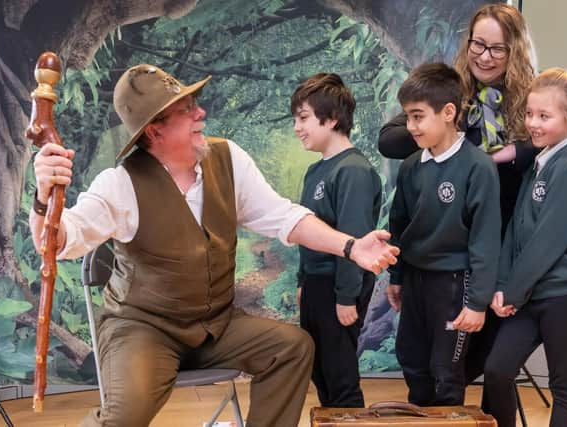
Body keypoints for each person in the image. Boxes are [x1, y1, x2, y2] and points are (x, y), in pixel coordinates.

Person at [29, 64, 399, 427]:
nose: (201, 112)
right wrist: (43, 198)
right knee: (128, 413)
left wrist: (351, 247)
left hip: (215, 325)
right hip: (144, 328)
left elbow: (283, 216)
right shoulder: (120, 183)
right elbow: (59, 242)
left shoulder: (227, 159)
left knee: (292, 348)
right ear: (155, 129)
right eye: (186, 109)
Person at [378, 4, 537, 406]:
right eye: (478, 45)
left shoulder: (531, 98)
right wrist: (441, 136)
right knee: (420, 360)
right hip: (440, 254)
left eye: (497, 49)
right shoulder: (446, 94)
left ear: (515, 51)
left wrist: (501, 155)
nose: (485, 56)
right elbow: (390, 140)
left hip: (496, 248)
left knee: (471, 364)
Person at [484, 68, 567, 427]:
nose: (533, 124)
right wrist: (503, 285)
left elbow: (547, 242)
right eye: (530, 114)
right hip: (530, 295)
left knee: (563, 390)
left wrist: (514, 294)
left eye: (544, 116)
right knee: (497, 370)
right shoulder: (541, 160)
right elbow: (516, 231)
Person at [385, 63, 500, 406]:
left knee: (447, 371)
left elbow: (485, 239)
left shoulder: (478, 168)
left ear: (448, 112)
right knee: (411, 360)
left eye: (418, 116)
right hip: (416, 281)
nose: (410, 127)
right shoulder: (410, 168)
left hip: (454, 283)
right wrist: (396, 276)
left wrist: (478, 302)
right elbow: (399, 226)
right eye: (407, 117)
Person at [291, 73, 382, 408]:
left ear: (330, 119)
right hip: (316, 285)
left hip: (339, 286)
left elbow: (354, 240)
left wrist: (346, 297)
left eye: (303, 119)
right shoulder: (316, 171)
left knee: (340, 376)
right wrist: (304, 282)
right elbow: (305, 228)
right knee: (320, 372)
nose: (297, 128)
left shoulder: (354, 170)